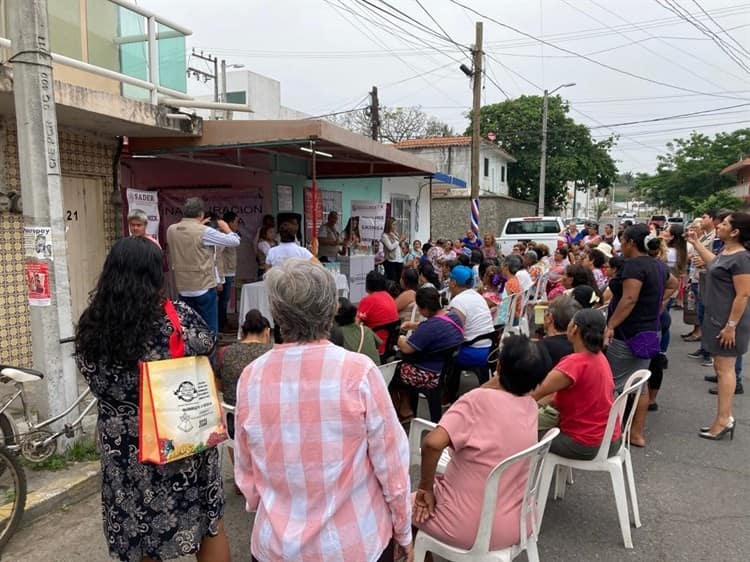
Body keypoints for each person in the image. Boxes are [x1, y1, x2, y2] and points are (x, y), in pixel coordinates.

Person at [233, 259, 412, 561]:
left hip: (275, 546)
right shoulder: (359, 372)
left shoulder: (252, 376)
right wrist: (403, 530)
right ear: (331, 310)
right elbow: (392, 465)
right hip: (354, 544)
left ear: (275, 314)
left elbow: (246, 468)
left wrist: (272, 508)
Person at [74, 237, 230, 562]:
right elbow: (207, 344)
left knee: (138, 531)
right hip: (180, 435)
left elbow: (93, 377)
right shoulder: (175, 317)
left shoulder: (91, 326)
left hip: (124, 447)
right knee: (209, 524)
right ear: (156, 274)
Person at [413, 335, 548, 550]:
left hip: (467, 527)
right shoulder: (530, 406)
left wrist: (425, 488)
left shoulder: (476, 401)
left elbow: (432, 444)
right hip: (518, 522)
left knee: (398, 506)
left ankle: (422, 550)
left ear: (499, 365)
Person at [605, 223, 677, 447]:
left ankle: (613, 434)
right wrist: (658, 306)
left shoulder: (634, 266)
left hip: (628, 332)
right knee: (640, 383)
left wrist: (611, 325)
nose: (621, 246)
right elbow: (673, 284)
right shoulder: (657, 265)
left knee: (614, 385)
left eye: (623, 241)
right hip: (649, 332)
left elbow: (629, 299)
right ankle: (636, 433)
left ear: (631, 243)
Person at [687, 213, 750, 440]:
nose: (719, 226)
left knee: (725, 370)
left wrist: (731, 325)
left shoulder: (742, 258)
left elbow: (743, 294)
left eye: (724, 224)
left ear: (735, 232)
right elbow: (714, 263)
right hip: (718, 320)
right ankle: (725, 417)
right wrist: (695, 243)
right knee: (720, 368)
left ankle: (723, 420)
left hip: (728, 323)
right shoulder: (727, 251)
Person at [532, 309, 622, 460]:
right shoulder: (599, 356)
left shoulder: (575, 363)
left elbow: (534, 393)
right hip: (610, 439)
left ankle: (519, 480)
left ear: (574, 329)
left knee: (521, 431)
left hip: (584, 444)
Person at [166, 197, 240, 334]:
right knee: (209, 329)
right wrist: (226, 228)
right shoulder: (204, 231)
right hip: (204, 286)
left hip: (183, 287)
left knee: (189, 329)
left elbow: (187, 236)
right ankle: (210, 355)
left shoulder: (171, 230)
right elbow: (234, 241)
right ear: (200, 214)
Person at [396, 286, 465, 421]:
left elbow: (407, 348)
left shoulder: (430, 328)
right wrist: (414, 325)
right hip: (443, 371)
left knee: (392, 372)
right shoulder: (453, 317)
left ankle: (403, 410)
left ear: (425, 309)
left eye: (420, 309)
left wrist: (399, 338)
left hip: (427, 375)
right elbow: (436, 325)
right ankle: (408, 408)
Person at [216, 308, 272, 432]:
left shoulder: (225, 352)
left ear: (242, 332)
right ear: (267, 332)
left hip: (233, 421)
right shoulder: (272, 353)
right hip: (263, 422)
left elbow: (219, 386)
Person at [446, 265, 495, 392]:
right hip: (488, 348)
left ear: (453, 283)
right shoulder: (478, 296)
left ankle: (448, 393)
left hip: (471, 352)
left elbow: (453, 333)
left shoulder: (458, 302)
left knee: (441, 350)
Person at [358, 270, 400, 356]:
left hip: (374, 346)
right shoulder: (389, 297)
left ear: (367, 285)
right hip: (389, 345)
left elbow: (355, 324)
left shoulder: (367, 301)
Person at [334, 297, 382, 364]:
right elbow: (379, 344)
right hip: (377, 370)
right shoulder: (366, 330)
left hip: (356, 372)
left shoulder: (337, 333)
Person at [539, 295, 581, 366]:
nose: (544, 315)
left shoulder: (540, 349)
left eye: (545, 312)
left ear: (549, 318)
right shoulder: (580, 346)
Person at [217, 211, 239, 332]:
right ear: (229, 223)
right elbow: (218, 252)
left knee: (225, 299)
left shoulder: (228, 235)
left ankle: (223, 321)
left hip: (228, 271)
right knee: (223, 300)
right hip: (224, 272)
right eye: (236, 222)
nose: (237, 225)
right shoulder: (223, 236)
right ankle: (222, 323)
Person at [381, 217, 404, 283]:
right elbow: (390, 247)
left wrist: (402, 241)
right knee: (392, 280)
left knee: (399, 279)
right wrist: (400, 240)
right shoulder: (384, 235)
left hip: (399, 260)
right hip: (391, 261)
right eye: (393, 224)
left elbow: (399, 246)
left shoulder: (396, 234)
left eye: (396, 224)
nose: (395, 226)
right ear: (389, 225)